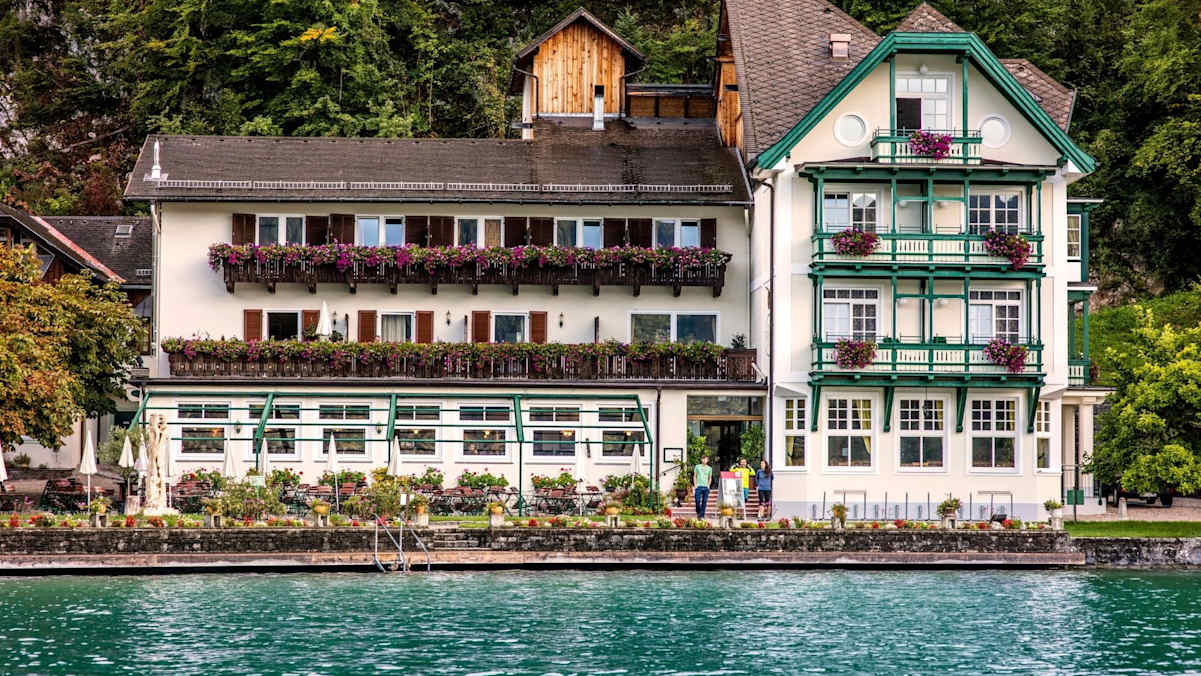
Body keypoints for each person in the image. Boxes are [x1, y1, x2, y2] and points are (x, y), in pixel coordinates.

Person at [692, 454, 712, 518]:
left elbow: (710, 478)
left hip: (706, 487)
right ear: (701, 460)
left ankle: (702, 516)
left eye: (705, 459)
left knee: (704, 502)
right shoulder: (697, 467)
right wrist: (695, 485)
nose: (704, 460)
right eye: (703, 459)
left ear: (707, 460)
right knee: (697, 501)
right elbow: (694, 476)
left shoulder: (709, 468)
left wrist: (708, 485)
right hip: (698, 486)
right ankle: (699, 512)